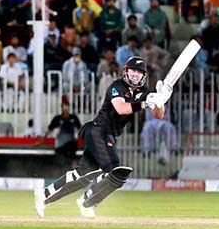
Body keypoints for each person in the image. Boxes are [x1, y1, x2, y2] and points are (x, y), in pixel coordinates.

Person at [35, 57, 171, 218]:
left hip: (110, 135)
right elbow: (121, 108)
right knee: (115, 171)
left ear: (144, 76)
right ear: (126, 71)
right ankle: (87, 200)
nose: (135, 75)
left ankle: (44, 196)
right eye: (133, 71)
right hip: (98, 130)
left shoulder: (145, 93)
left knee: (82, 175)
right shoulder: (117, 87)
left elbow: (158, 115)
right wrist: (146, 103)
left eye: (139, 72)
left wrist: (161, 100)